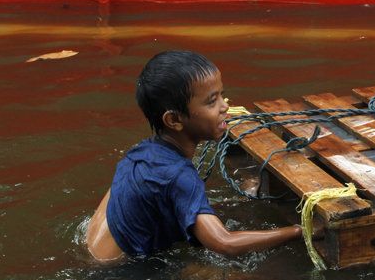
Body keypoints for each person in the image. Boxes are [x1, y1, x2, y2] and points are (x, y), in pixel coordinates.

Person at [85, 50, 304, 263]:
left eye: (221, 95)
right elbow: (225, 243)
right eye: (211, 101)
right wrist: (297, 231)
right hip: (120, 271)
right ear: (173, 120)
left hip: (93, 249)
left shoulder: (141, 152)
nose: (225, 106)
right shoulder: (179, 175)